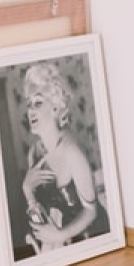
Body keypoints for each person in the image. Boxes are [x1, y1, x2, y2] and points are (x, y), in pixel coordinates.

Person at [20, 62, 109, 255]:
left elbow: (91, 211)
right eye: (29, 104)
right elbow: (42, 215)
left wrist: (60, 236)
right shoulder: (34, 153)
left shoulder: (72, 153)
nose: (30, 111)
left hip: (90, 237)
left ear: (55, 107)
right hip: (60, 242)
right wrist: (27, 191)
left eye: (38, 103)